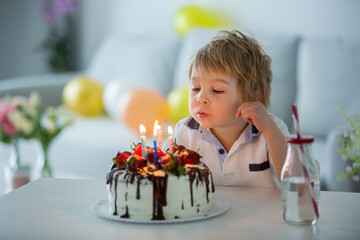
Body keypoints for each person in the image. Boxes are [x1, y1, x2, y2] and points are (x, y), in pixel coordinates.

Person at [170, 30, 289, 188]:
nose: (200, 98)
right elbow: (165, 180)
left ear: (252, 97)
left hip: (261, 213)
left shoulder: (271, 129)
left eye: (217, 90)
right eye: (195, 88)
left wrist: (269, 130)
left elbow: (296, 186)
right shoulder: (183, 132)